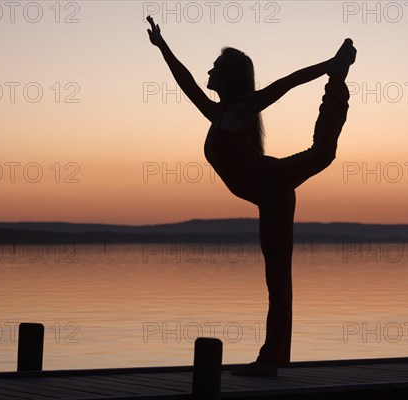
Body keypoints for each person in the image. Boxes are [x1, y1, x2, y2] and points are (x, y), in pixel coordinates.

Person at [147, 15, 356, 377]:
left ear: (228, 77)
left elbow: (284, 84)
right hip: (269, 194)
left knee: (322, 155)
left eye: (214, 68)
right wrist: (162, 45)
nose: (207, 73)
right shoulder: (218, 113)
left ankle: (338, 82)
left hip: (272, 183)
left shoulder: (241, 110)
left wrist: (329, 68)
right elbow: (186, 82)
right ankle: (272, 359)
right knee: (276, 279)